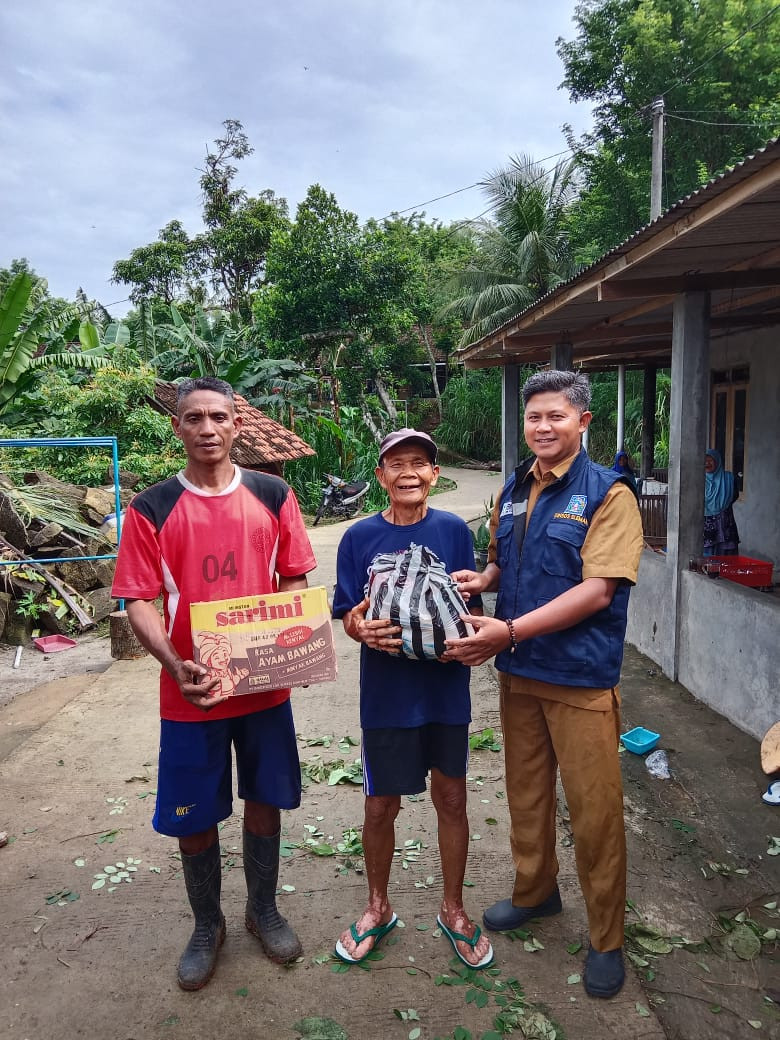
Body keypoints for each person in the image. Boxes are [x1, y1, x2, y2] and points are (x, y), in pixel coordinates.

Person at [111, 376, 317, 991]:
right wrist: (175, 664)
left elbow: (292, 578)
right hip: (191, 691)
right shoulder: (150, 508)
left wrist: (285, 650)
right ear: (178, 427)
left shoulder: (273, 493)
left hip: (263, 690)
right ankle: (208, 925)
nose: (207, 428)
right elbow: (139, 600)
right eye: (194, 417)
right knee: (192, 814)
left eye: (218, 417)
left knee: (265, 797)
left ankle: (263, 910)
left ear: (236, 425)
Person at [444, 370, 643, 999]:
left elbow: (596, 590)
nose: (543, 428)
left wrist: (506, 630)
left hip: (579, 678)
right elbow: (516, 563)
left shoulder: (609, 494)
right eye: (534, 418)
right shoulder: (516, 487)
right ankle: (537, 892)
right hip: (522, 676)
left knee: (594, 813)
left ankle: (606, 938)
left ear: (584, 421)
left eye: (556, 416)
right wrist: (484, 580)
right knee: (526, 797)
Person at [331, 428, 494, 970]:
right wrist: (358, 629)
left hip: (445, 692)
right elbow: (348, 610)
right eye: (396, 464)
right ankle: (378, 907)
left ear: (433, 475)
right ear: (381, 477)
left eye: (419, 463)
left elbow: (466, 600)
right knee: (381, 804)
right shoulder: (358, 537)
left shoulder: (451, 531)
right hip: (386, 696)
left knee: (452, 799)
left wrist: (471, 641)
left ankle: (453, 908)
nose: (408, 473)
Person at [703, 449, 739, 557]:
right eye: (705, 460)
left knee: (726, 559)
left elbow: (734, 495)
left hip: (726, 524)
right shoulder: (699, 479)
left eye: (711, 460)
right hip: (706, 526)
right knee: (707, 560)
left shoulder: (729, 478)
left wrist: (721, 504)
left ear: (717, 462)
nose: (707, 463)